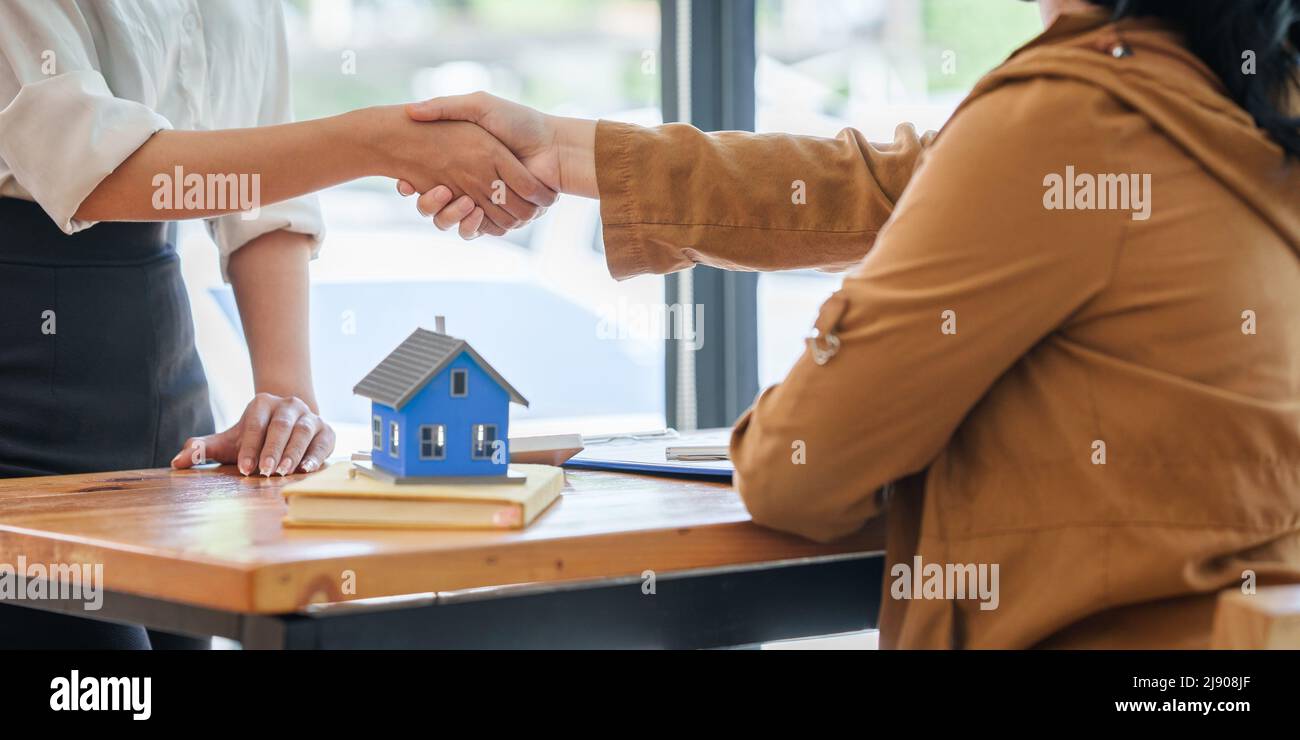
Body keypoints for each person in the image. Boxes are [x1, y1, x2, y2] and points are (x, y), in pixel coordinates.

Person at [402, 0, 1300, 648]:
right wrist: (566, 150)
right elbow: (881, 184)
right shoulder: (1236, 97)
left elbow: (802, 471)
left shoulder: (1074, 118)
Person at [0, 1, 549, 648]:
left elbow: (262, 197)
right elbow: (90, 170)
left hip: (167, 394)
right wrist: (378, 142)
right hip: (21, 389)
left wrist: (285, 391)